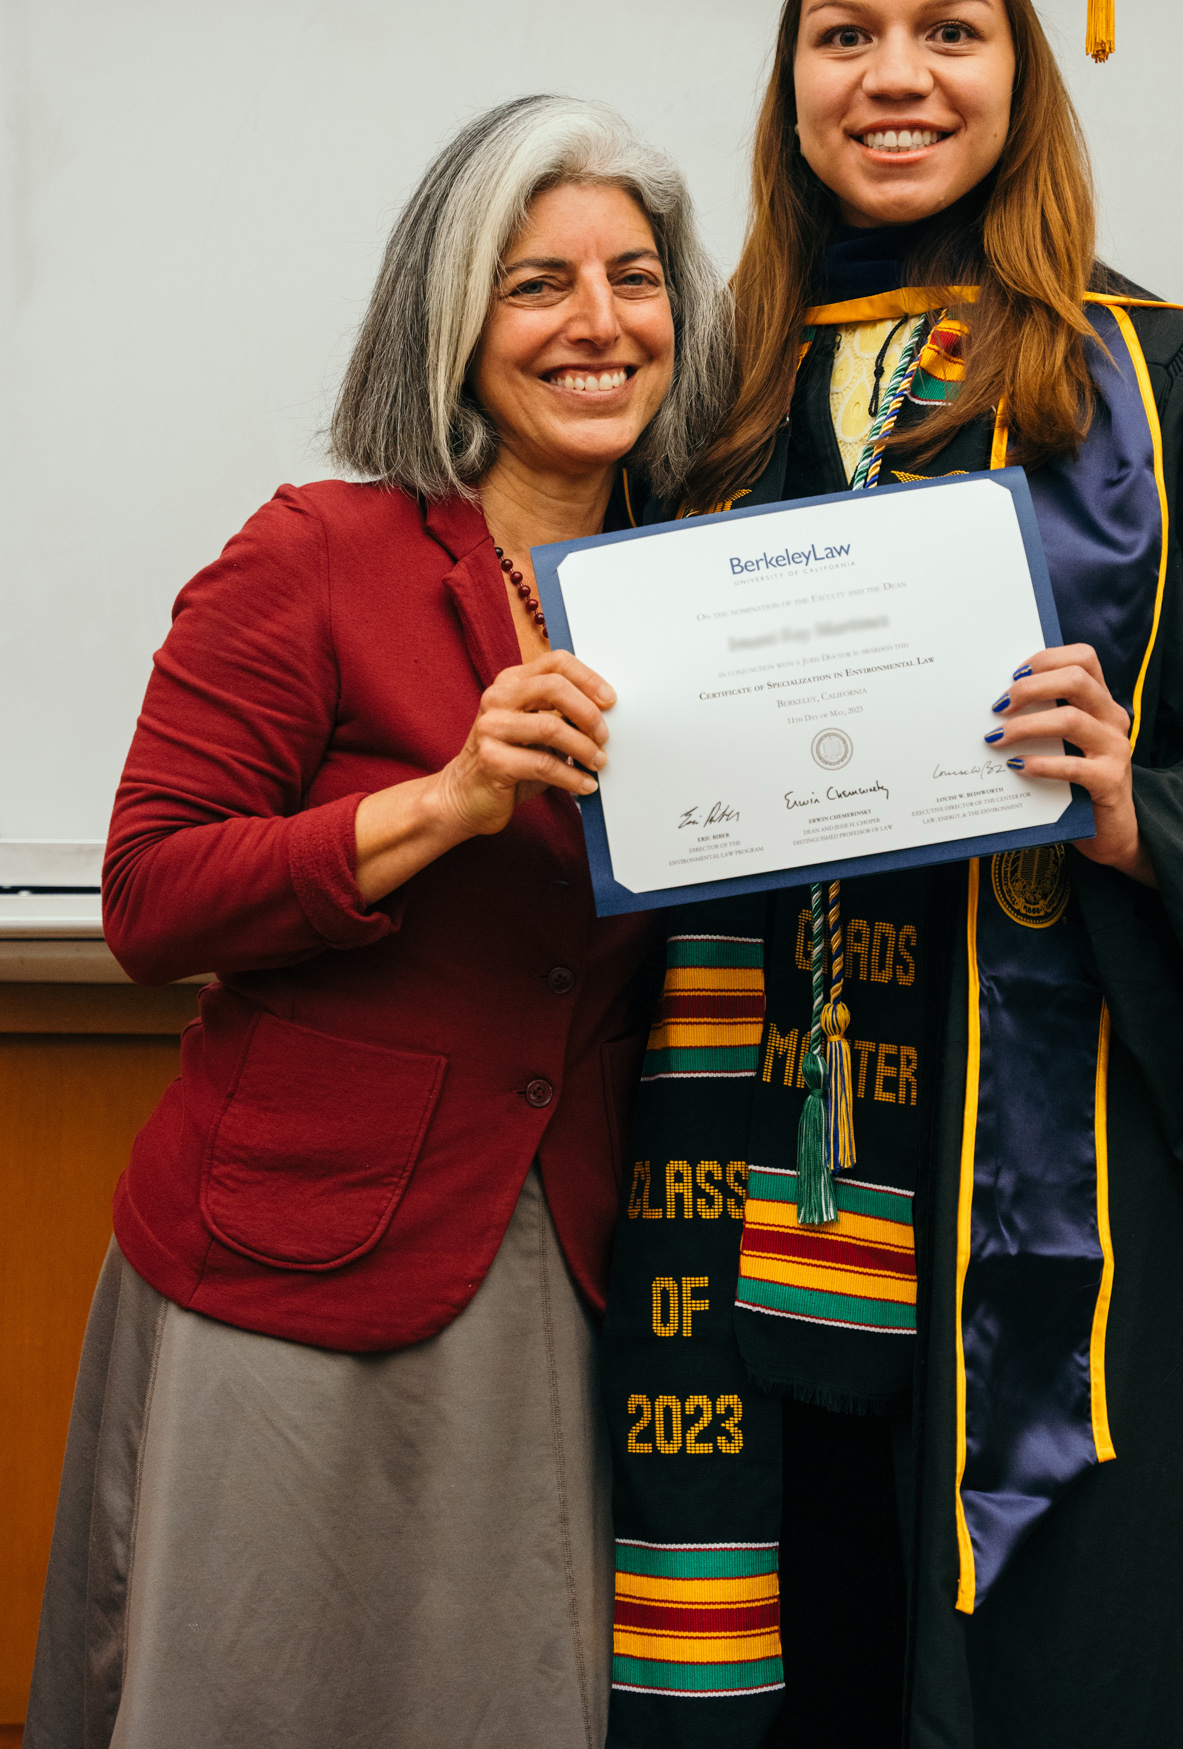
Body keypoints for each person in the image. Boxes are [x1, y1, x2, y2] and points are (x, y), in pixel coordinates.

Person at [599, 0, 1183, 1749]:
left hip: (1056, 1176)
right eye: (842, 36)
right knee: (776, 1641)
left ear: (1024, 70)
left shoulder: (1176, 392)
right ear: (790, 79)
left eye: (949, 32)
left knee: (1051, 1665)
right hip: (743, 1171)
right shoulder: (708, 397)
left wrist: (1149, 807)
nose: (893, 77)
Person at [23, 95, 728, 1749]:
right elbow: (150, 896)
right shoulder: (314, 556)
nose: (600, 323)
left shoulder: (716, 587)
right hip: (285, 1251)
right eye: (538, 283)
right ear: (452, 317)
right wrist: (443, 802)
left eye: (636, 277)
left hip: (570, 1254)